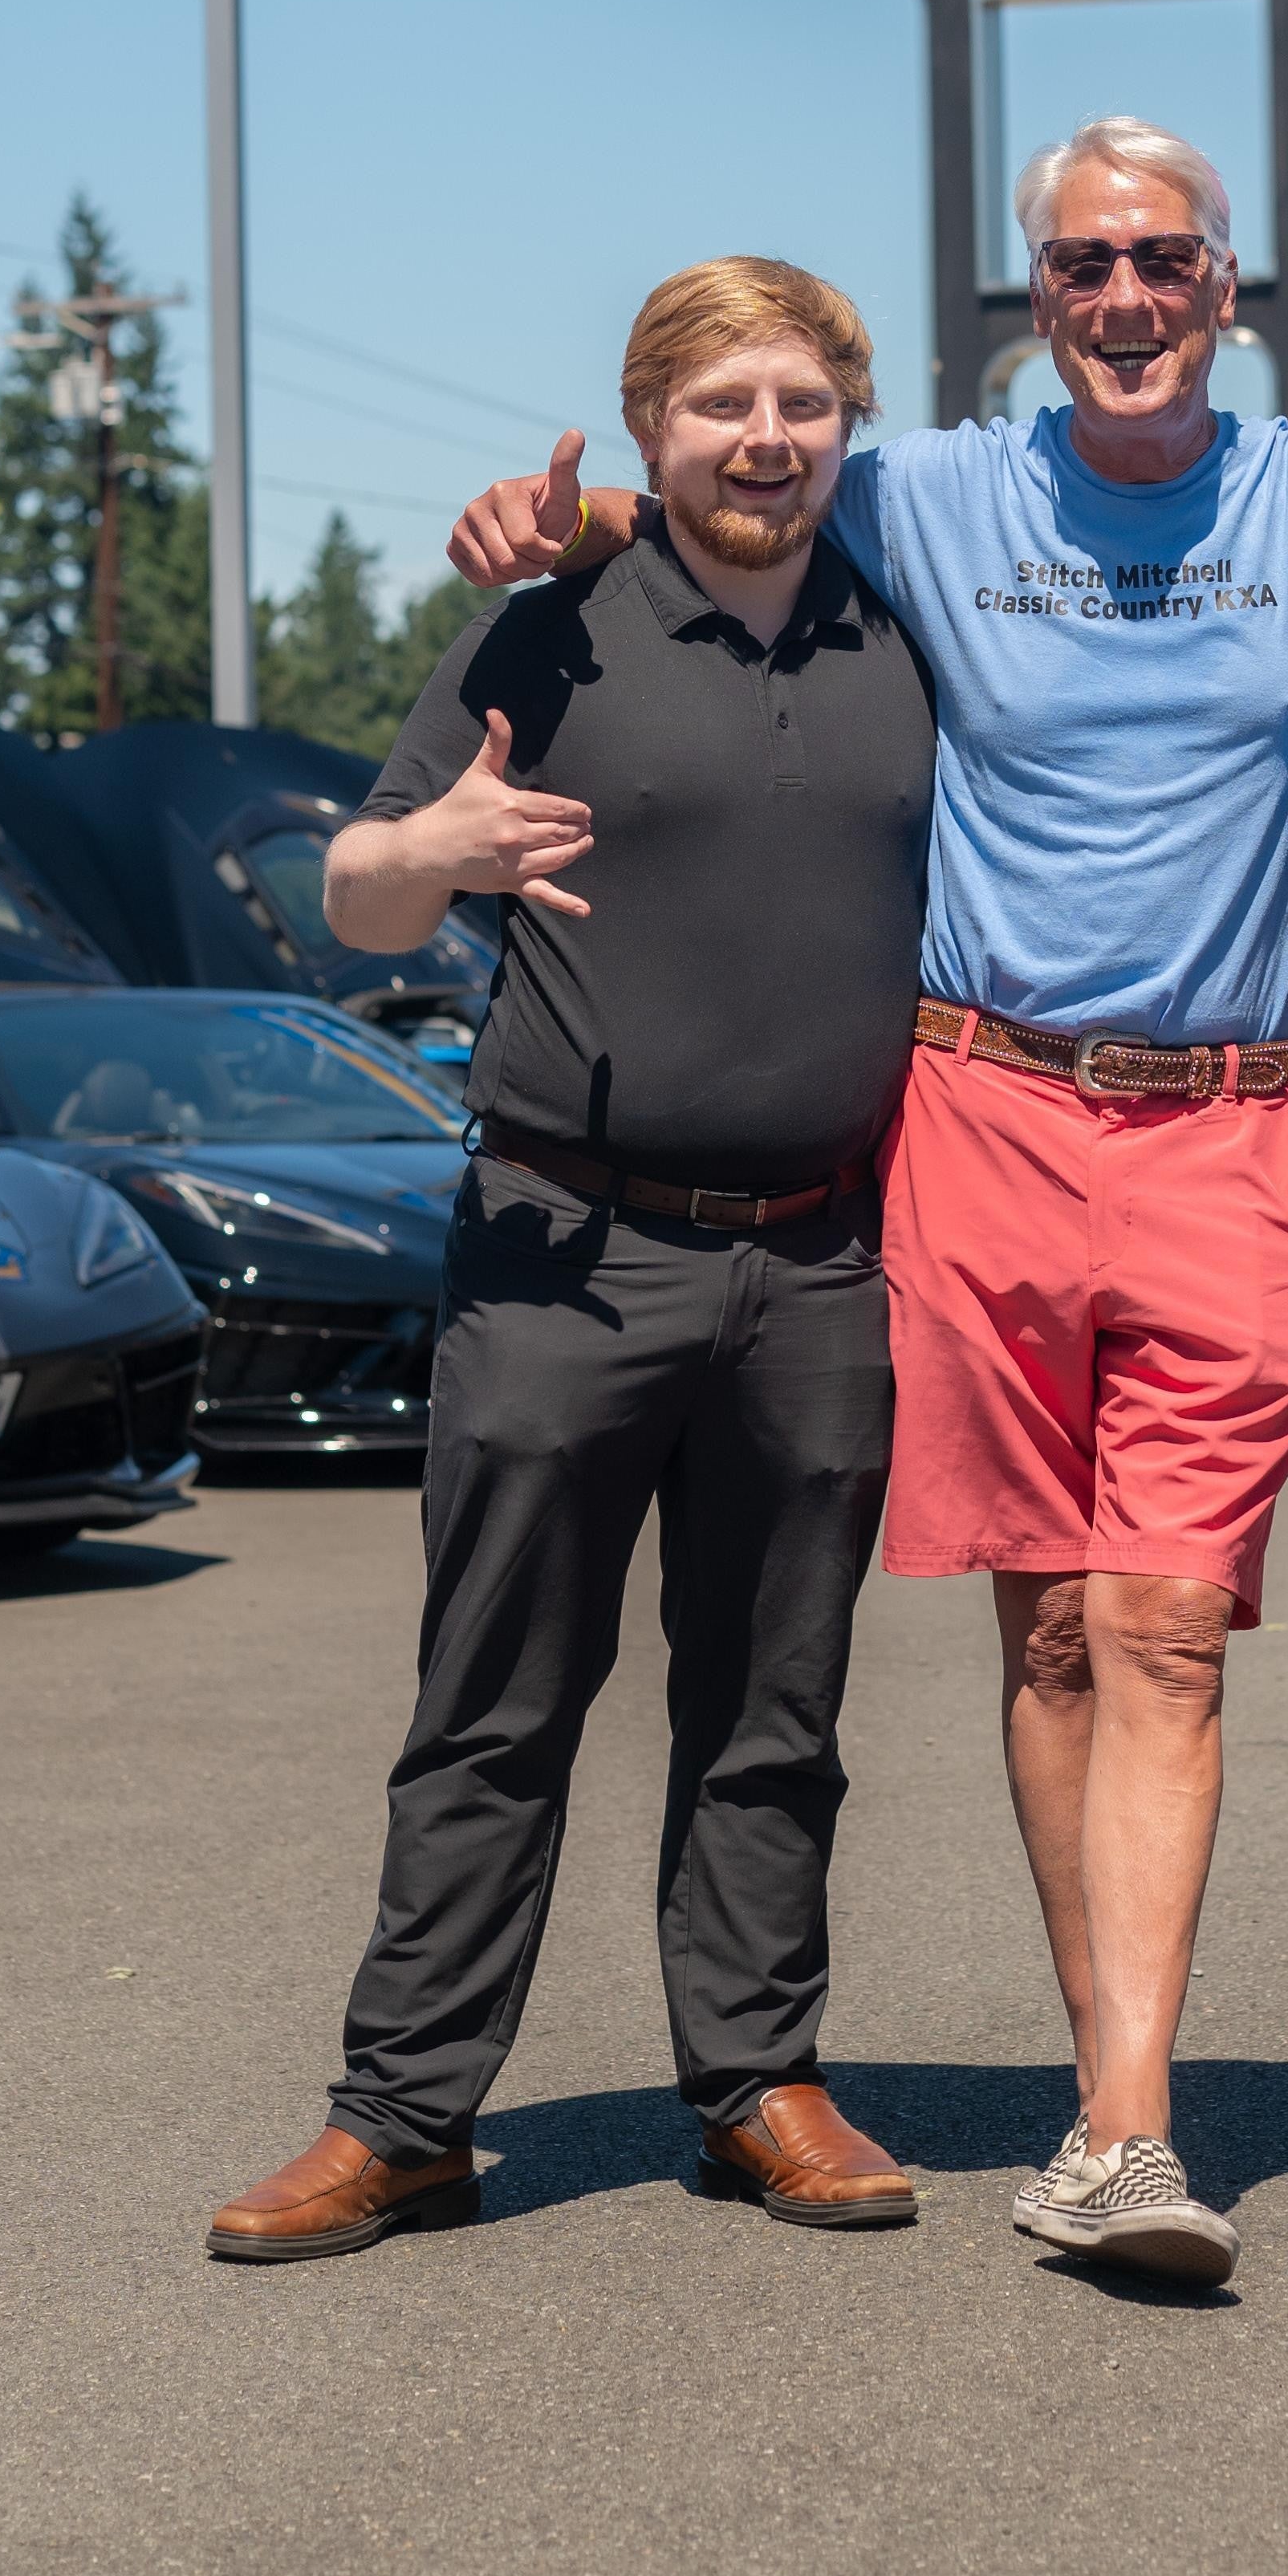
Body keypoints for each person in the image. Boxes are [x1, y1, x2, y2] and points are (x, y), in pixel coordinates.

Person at [442, 130, 1288, 2285]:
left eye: (1163, 259)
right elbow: (717, 501)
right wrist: (543, 517)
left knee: (1161, 1622)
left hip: (1230, 1133)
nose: (1124, 294)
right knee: (1045, 1624)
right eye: (1082, 264)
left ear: (1225, 286)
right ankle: (1099, 2102)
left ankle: (1128, 2131)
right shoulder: (935, 492)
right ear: (1030, 296)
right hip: (981, 1118)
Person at [209, 261, 935, 2261]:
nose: (763, 439)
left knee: (773, 1707)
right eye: (719, 406)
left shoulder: (913, 624)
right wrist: (430, 850)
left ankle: (756, 2079)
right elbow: (355, 890)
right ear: (647, 427)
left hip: (818, 1263)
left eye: (798, 402)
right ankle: (404, 2112)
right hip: (562, 1251)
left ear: (845, 422)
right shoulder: (550, 618)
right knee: (493, 1701)